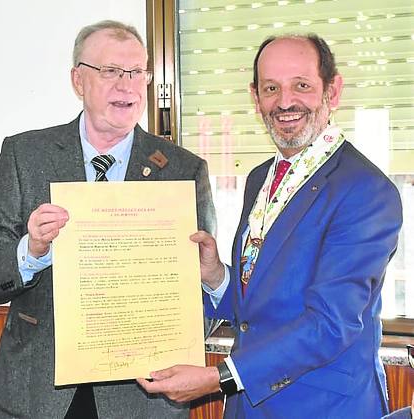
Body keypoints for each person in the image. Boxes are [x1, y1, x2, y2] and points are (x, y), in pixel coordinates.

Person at [136, 33, 403, 418]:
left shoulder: (366, 191)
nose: (285, 102)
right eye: (271, 88)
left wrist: (219, 378)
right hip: (250, 405)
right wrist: (215, 277)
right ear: (255, 96)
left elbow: (330, 325)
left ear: (333, 89)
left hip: (324, 408)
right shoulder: (260, 178)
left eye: (302, 85)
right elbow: (260, 309)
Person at [0, 20, 216, 418]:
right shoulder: (24, 155)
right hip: (37, 395)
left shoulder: (182, 171)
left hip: (142, 400)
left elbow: (199, 296)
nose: (127, 85)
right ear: (78, 80)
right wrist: (30, 251)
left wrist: (211, 277)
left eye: (137, 72)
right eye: (111, 71)